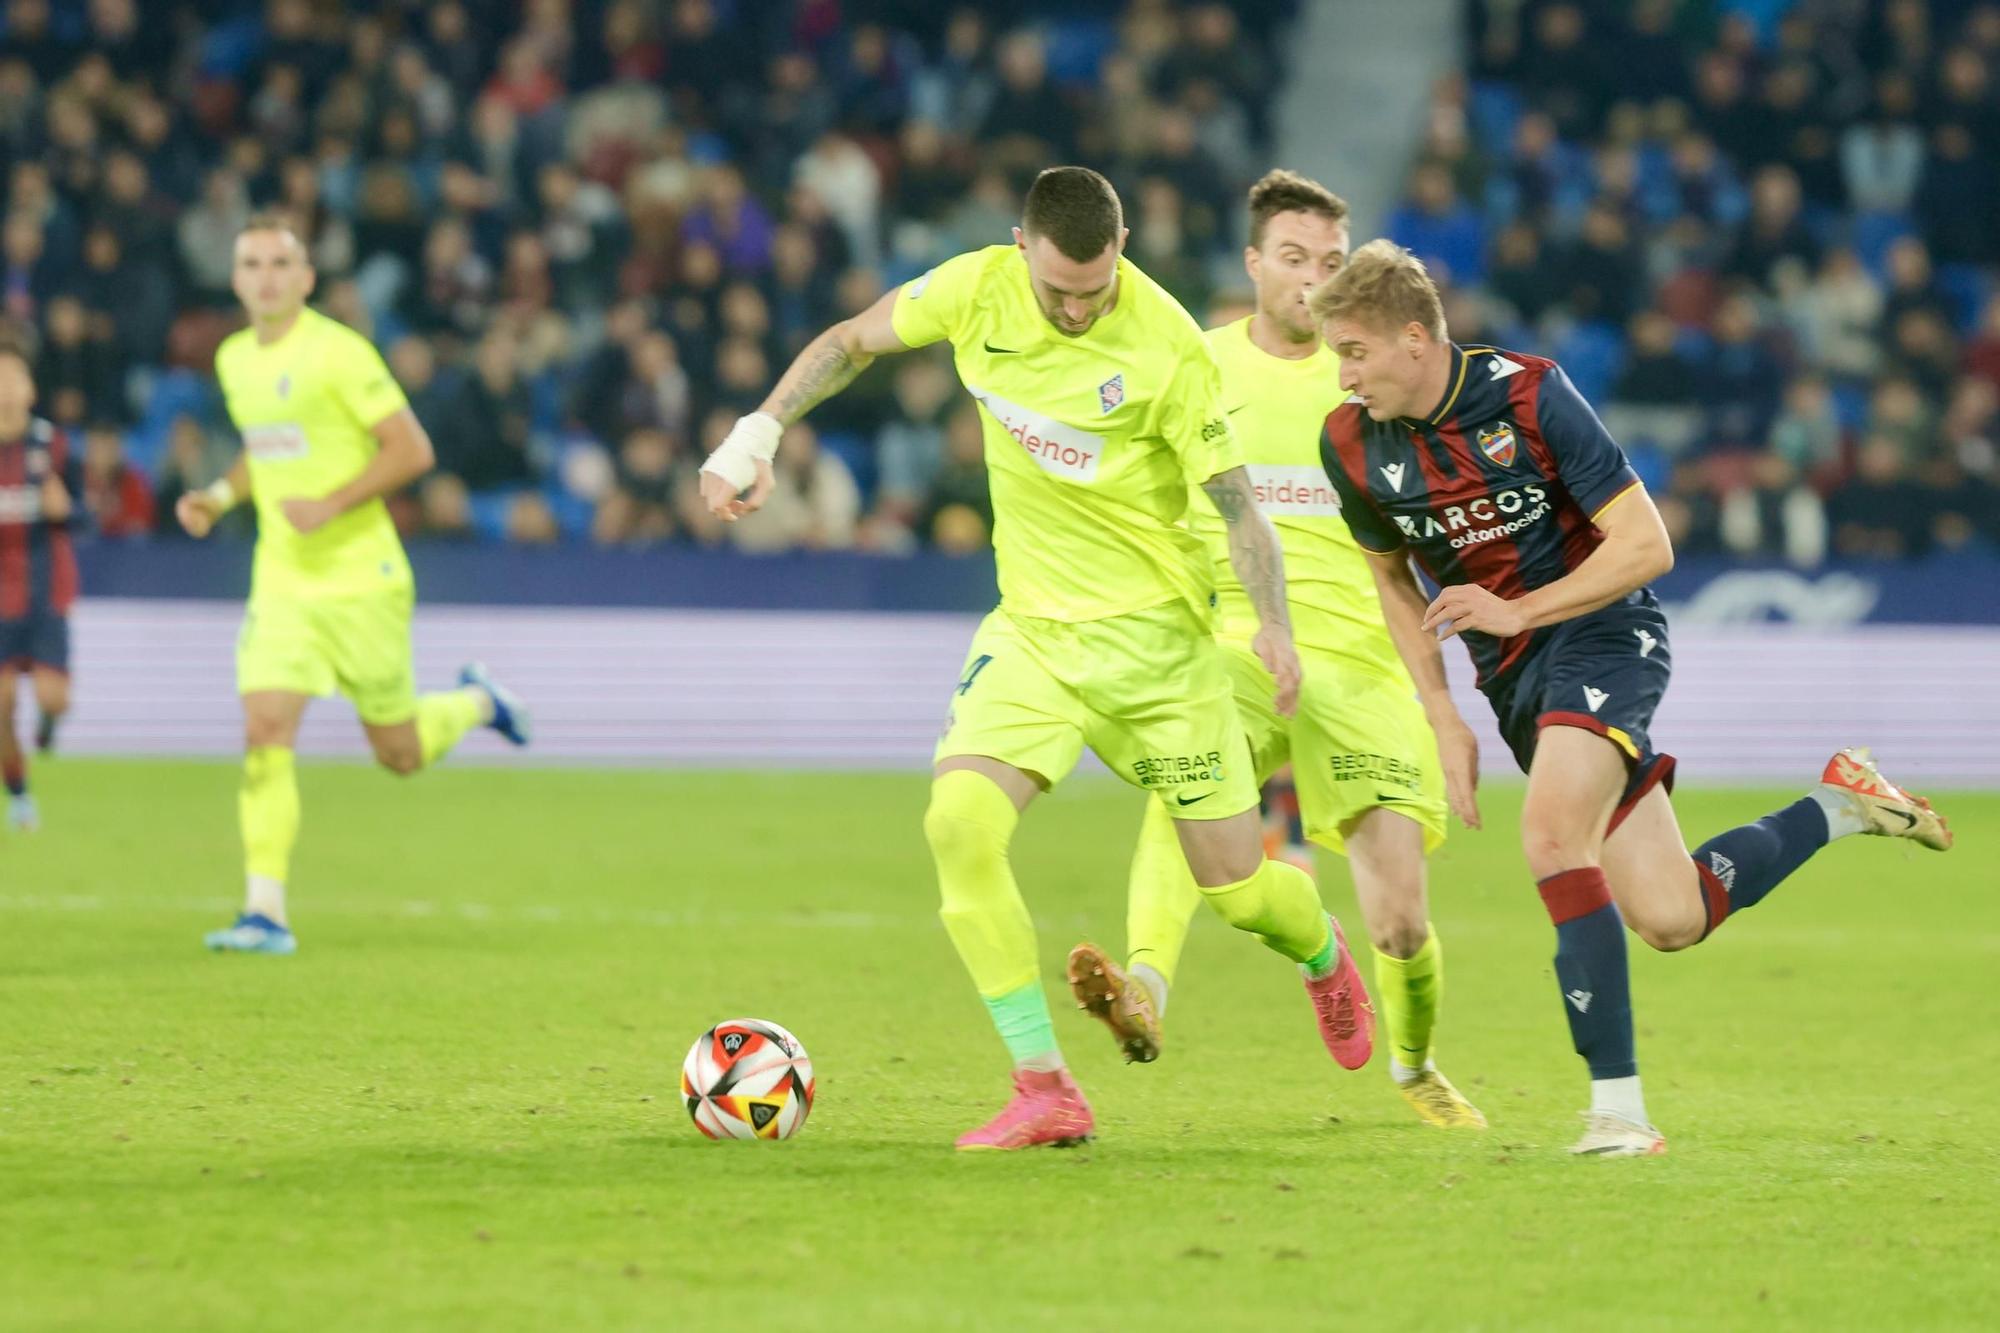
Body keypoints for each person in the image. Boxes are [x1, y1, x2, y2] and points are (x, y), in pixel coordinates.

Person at [698, 166, 1368, 1150]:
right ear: (1020, 247)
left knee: (1235, 886)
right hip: (1034, 636)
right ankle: (1044, 1086)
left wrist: (1268, 621)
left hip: (1157, 654)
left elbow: (1237, 508)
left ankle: (1318, 950)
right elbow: (849, 341)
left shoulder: (1170, 347)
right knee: (957, 824)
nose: (1070, 308)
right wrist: (755, 433)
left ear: (1122, 250)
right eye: (1056, 289)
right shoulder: (975, 289)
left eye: (1091, 291)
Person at [1312, 240, 1952, 1157]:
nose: (1343, 372)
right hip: (1513, 677)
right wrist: (1442, 712)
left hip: (1604, 630)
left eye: (1353, 351)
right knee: (1671, 914)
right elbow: (1393, 580)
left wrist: (1517, 606)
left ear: (1414, 338)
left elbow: (1649, 545)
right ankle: (1842, 803)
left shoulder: (1530, 394)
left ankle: (1618, 1111)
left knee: (1547, 836)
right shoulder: (1348, 442)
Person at [1065, 171, 1487, 1129]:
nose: (1311, 279)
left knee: (1403, 921)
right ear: (1252, 263)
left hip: (1364, 660)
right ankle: (1145, 989)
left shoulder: (1375, 380)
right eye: (1293, 259)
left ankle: (1413, 1063)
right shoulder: (1195, 364)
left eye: (1332, 263)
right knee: (1186, 771)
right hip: (1237, 643)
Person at [176, 212, 531, 956]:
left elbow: (412, 448)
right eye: (251, 264)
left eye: (280, 263)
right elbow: (262, 450)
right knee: (265, 728)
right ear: (235, 278)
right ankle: (263, 911)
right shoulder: (235, 359)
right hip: (281, 579)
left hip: (360, 579)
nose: (266, 276)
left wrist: (332, 503)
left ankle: (477, 701)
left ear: (306, 278)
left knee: (398, 752)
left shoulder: (340, 353)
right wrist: (217, 493)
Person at [0, 342, 83, 831]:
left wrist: (67, 510)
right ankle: (20, 794)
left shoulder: (54, 446)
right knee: (2, 706)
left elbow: (85, 515)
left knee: (54, 698)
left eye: (14, 377)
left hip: (46, 588)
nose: (6, 387)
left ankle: (49, 724)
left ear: (31, 389)